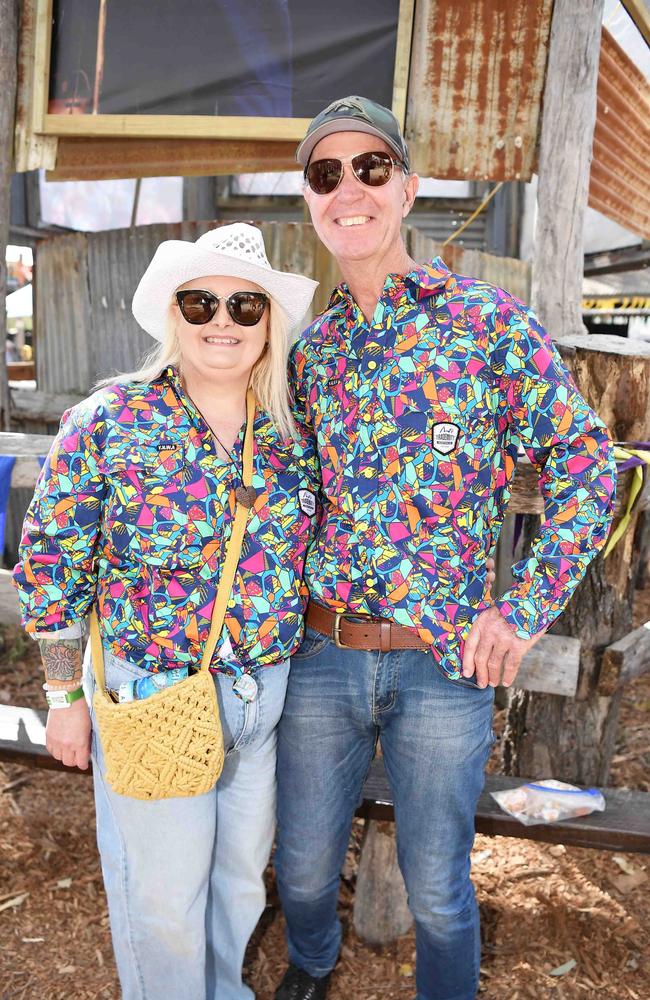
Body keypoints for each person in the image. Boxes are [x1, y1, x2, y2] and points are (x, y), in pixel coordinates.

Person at [273, 97, 616, 1000]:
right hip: (321, 654)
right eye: (326, 174)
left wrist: (523, 608)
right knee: (303, 870)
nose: (349, 188)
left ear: (408, 188)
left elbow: (587, 465)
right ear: (311, 201)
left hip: (442, 667)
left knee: (440, 893)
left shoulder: (486, 324)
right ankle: (310, 966)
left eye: (371, 168)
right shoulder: (308, 354)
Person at [13, 223, 319, 1000]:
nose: (223, 319)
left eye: (245, 304)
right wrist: (63, 699)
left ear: (268, 323)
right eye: (201, 300)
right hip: (155, 692)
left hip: (264, 694)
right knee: (164, 902)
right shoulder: (111, 419)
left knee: (242, 885)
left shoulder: (293, 434)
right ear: (173, 314)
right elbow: (51, 569)